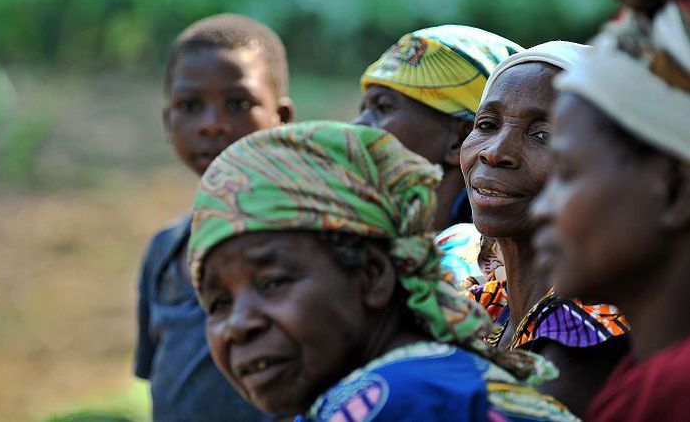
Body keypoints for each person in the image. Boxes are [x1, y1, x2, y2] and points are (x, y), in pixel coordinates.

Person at [186, 121, 578, 422]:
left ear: (372, 275)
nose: (238, 325)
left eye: (272, 283)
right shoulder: (431, 380)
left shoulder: (398, 397)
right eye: (218, 302)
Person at [532, 0, 690, 421]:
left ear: (674, 191)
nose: (543, 209)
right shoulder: (642, 384)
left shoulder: (670, 396)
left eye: (566, 172)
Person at [134, 13, 294, 422]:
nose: (212, 125)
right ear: (168, 122)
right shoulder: (166, 251)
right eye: (189, 106)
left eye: (239, 104)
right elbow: (159, 381)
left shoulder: (308, 243)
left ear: (282, 118)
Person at [460, 42, 630, 417]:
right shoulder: (488, 305)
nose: (495, 151)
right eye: (487, 124)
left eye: (544, 135)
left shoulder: (589, 325)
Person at [354, 25, 522, 231]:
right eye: (363, 109)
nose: (357, 124)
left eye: (383, 107)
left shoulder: (477, 259)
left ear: (461, 138)